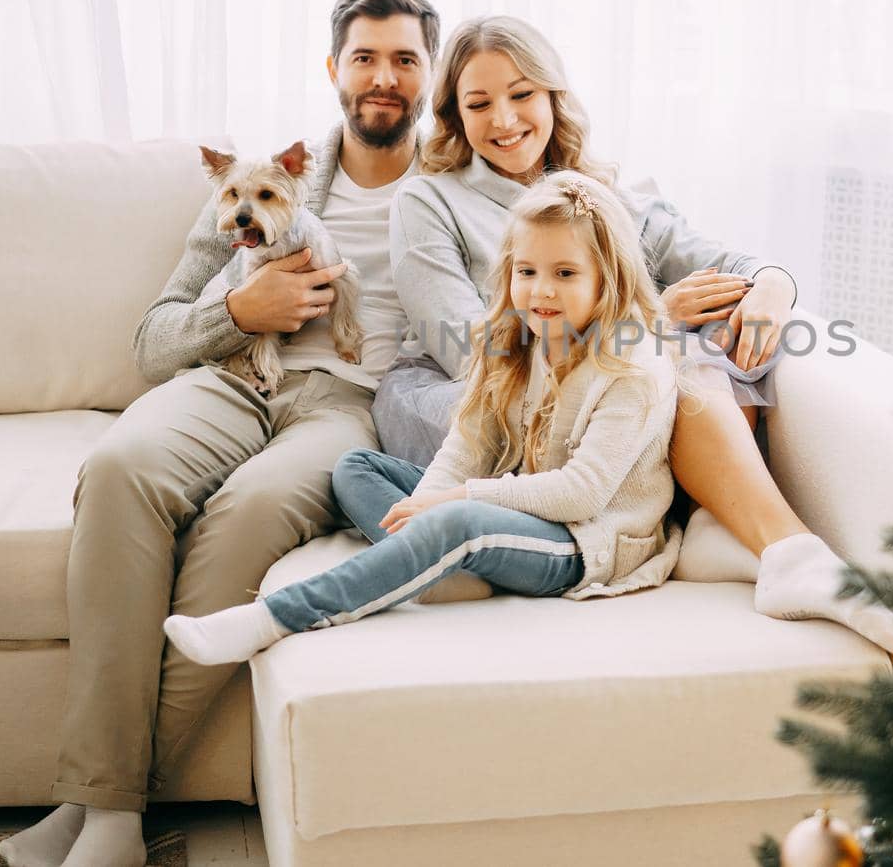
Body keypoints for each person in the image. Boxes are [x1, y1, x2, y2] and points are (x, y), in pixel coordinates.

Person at [0, 0, 440, 867]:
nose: (383, 77)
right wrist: (241, 307)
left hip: (349, 400)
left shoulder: (455, 183)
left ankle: (105, 800)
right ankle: (106, 808)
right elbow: (154, 340)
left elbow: (610, 231)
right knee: (121, 467)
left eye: (404, 58)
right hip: (230, 376)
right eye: (365, 57)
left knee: (249, 512)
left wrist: (754, 279)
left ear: (429, 74)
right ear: (334, 70)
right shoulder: (256, 183)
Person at [374, 15, 893, 654]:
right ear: (455, 117)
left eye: (522, 95)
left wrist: (772, 285)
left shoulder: (604, 198)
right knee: (657, 356)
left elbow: (724, 261)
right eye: (479, 103)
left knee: (687, 358)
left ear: (552, 98)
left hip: (585, 395)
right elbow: (475, 353)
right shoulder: (429, 200)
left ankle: (776, 550)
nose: (504, 119)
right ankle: (768, 546)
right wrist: (650, 320)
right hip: (463, 399)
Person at [161, 172, 681, 665]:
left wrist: (458, 502)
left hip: (583, 540)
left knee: (458, 519)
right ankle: (438, 561)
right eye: (527, 272)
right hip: (522, 505)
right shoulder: (516, 340)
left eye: (565, 274)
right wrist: (423, 506)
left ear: (607, 276)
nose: (541, 291)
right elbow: (466, 447)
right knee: (356, 469)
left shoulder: (634, 367)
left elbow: (582, 493)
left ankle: (275, 616)